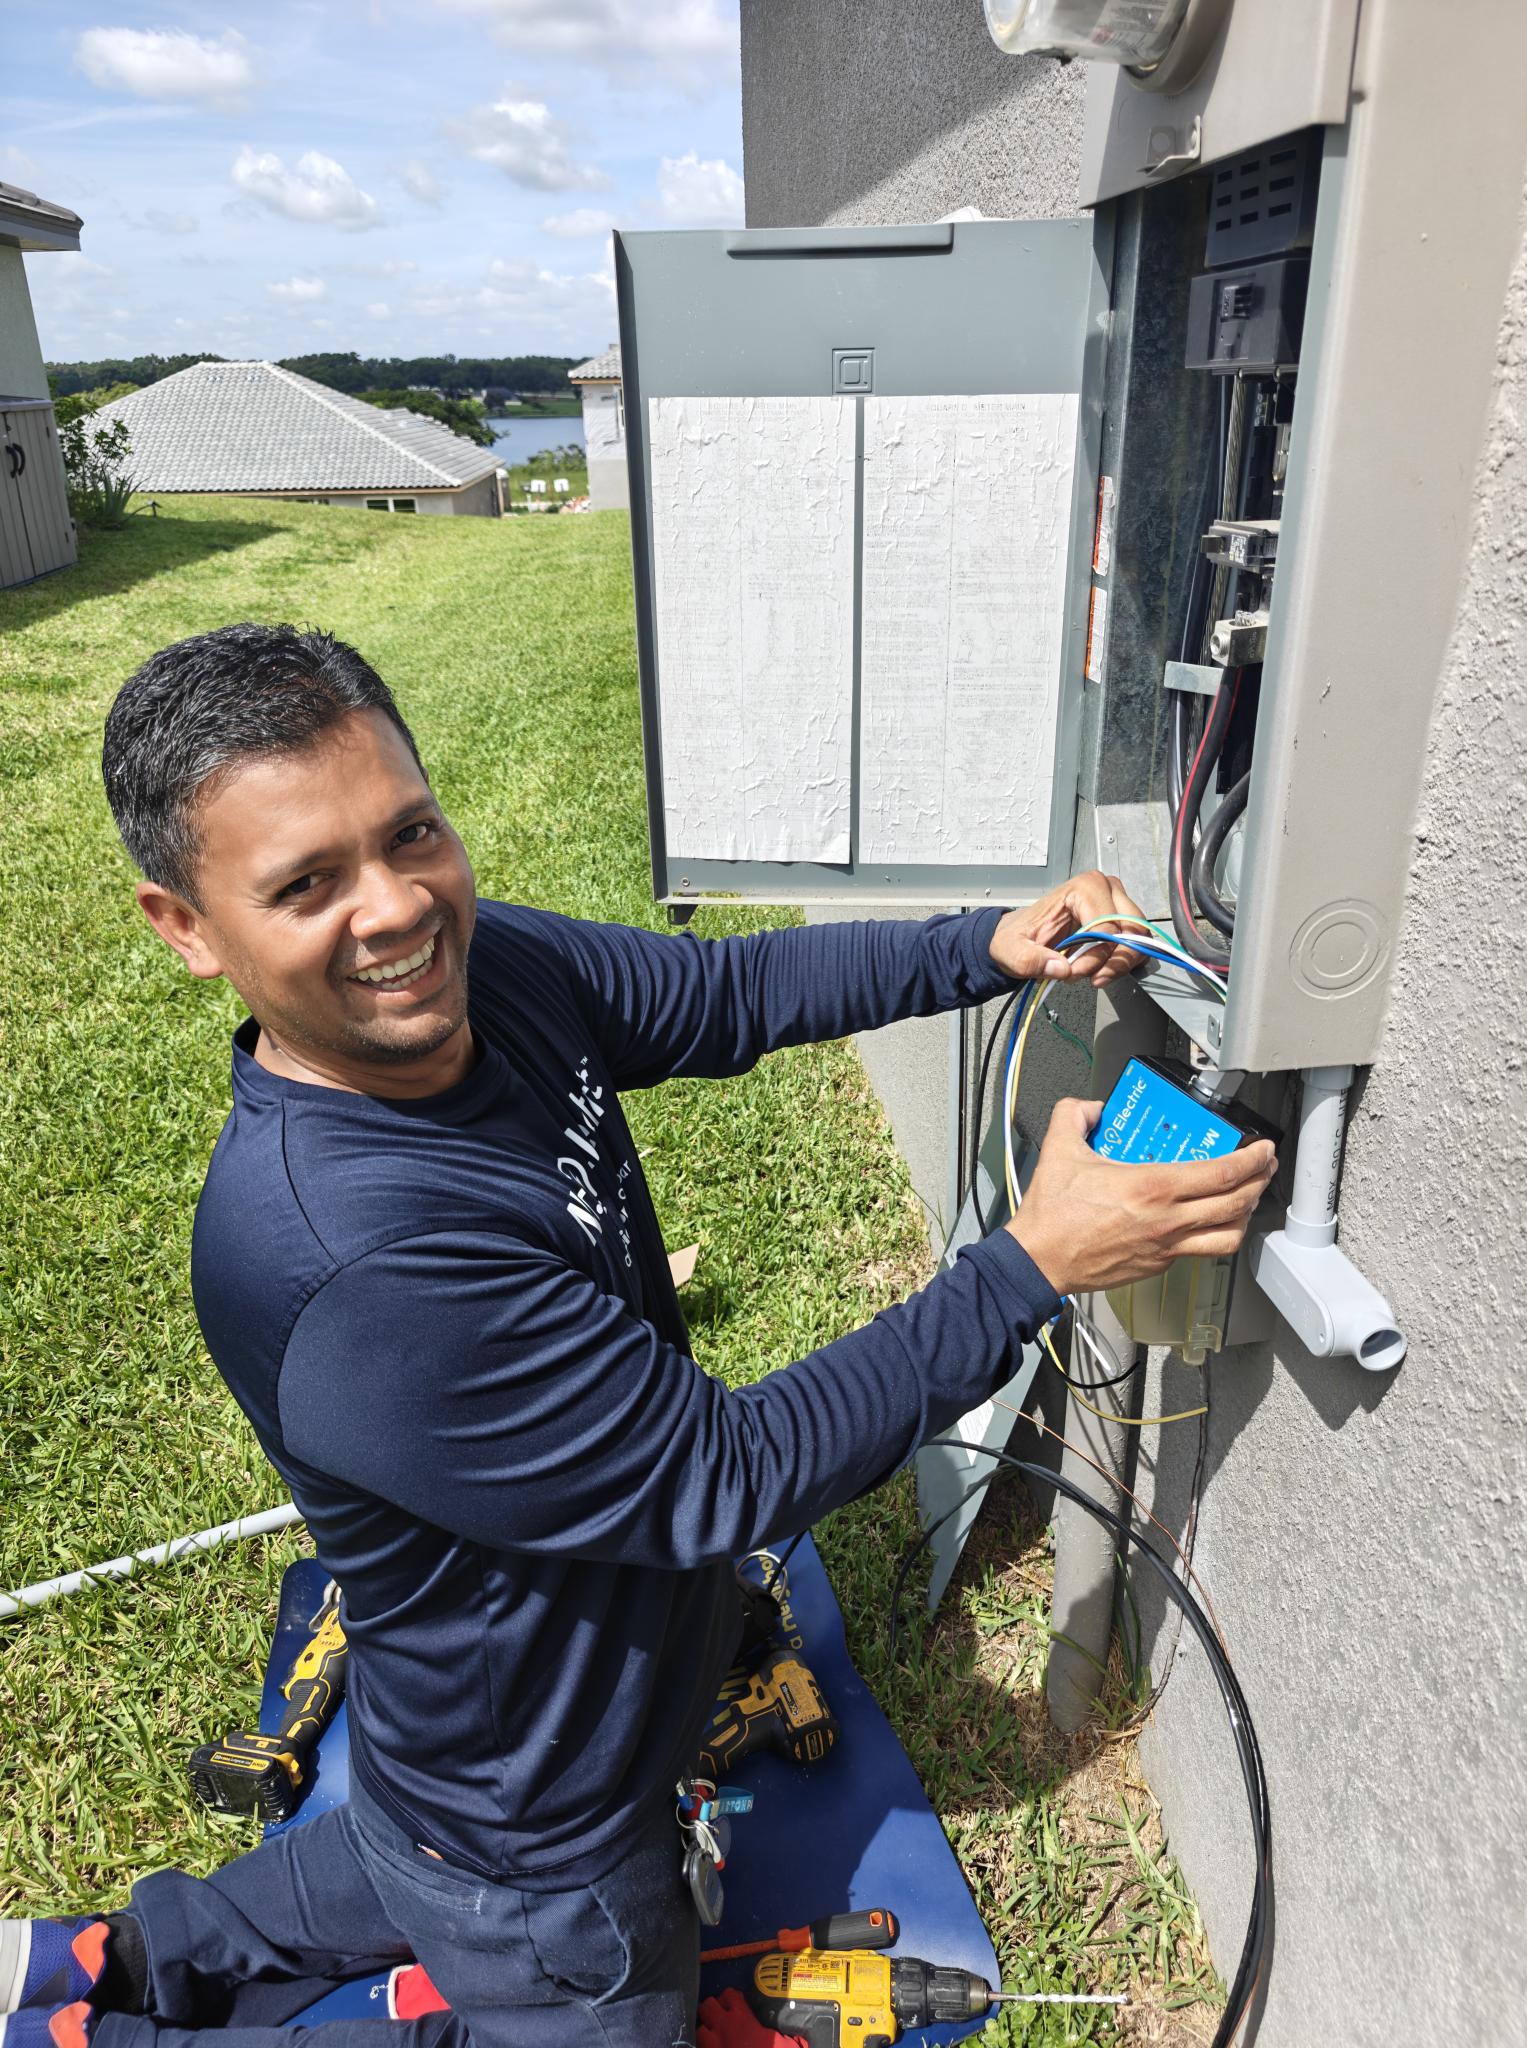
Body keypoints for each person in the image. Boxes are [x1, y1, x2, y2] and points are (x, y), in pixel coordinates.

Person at [1, 625, 1275, 2048]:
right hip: (545, 1840)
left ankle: (120, 1957)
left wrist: (979, 948)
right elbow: (726, 1478)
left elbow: (724, 996)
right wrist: (1033, 1265)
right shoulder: (360, 1261)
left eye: (410, 833)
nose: (396, 909)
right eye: (305, 885)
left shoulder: (483, 979)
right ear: (186, 927)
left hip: (468, 1761)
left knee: (399, 1850)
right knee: (539, 1946)